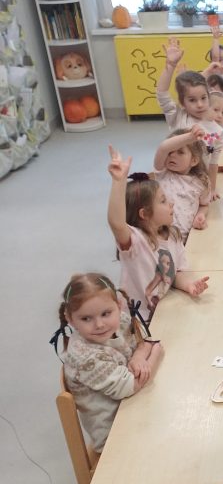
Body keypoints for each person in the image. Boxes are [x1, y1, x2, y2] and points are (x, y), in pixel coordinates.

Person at [55, 273, 163, 451]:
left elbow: (143, 341)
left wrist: (138, 357)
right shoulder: (84, 357)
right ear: (70, 318)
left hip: (138, 407)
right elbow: (131, 385)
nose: (99, 324)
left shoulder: (121, 320)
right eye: (86, 318)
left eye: (106, 313)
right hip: (115, 438)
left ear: (118, 305)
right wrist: (155, 352)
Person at [107, 146, 209, 322]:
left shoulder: (173, 236)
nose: (171, 203)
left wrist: (189, 285)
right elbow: (116, 223)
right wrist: (118, 181)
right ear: (144, 214)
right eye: (163, 200)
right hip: (135, 321)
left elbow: (175, 273)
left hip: (161, 312)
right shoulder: (136, 241)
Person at [156, 37, 223, 194]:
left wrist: (211, 189)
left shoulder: (217, 131)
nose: (199, 104)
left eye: (203, 98)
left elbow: (213, 164)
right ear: (182, 102)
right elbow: (162, 94)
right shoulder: (178, 117)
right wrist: (170, 66)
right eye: (192, 100)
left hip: (196, 186)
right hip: (171, 182)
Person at [153, 126, 211, 241]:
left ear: (194, 160)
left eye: (180, 152)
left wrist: (200, 215)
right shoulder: (162, 172)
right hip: (160, 239)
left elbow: (204, 204)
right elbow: (163, 148)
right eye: (170, 151)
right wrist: (190, 137)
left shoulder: (201, 182)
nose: (172, 155)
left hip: (186, 240)